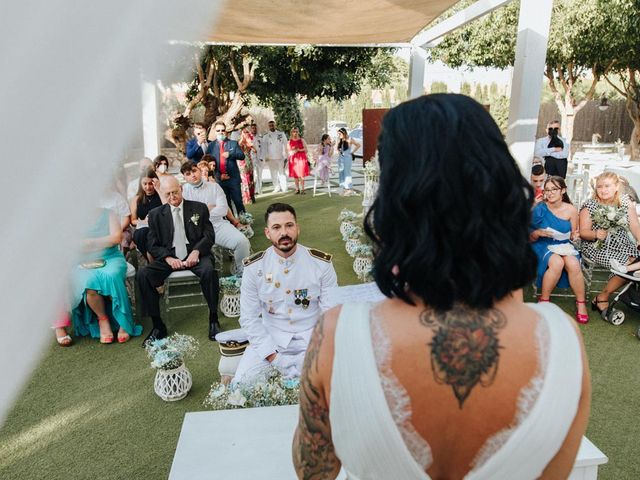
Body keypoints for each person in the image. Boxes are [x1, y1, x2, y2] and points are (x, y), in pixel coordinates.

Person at [292, 94, 590, 480]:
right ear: (499, 185)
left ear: (396, 199)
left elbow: (313, 471)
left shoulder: (336, 335)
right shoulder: (561, 340)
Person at [233, 202, 337, 383]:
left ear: (297, 228)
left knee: (339, 384)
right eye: (276, 227)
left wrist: (315, 353)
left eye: (289, 225)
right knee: (243, 384)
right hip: (272, 341)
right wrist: (273, 357)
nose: (284, 233)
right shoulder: (254, 268)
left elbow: (332, 313)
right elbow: (249, 318)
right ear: (267, 233)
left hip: (313, 339)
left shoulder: (321, 264)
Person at [137, 176, 221, 345]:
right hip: (169, 255)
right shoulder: (155, 214)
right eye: (167, 194)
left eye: (175, 192)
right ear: (163, 194)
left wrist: (196, 251)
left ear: (181, 189)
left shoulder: (199, 208)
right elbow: (152, 244)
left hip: (195, 253)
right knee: (143, 275)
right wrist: (167, 258)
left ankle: (213, 319)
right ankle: (158, 325)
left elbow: (209, 235)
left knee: (209, 271)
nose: (172, 197)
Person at [71, 208, 142, 344]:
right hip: (84, 260)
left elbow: (116, 238)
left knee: (112, 276)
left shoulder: (109, 214)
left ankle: (124, 321)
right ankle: (103, 320)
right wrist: (102, 242)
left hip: (111, 257)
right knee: (88, 282)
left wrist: (90, 243)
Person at [579, 171, 640, 315]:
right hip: (597, 246)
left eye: (607, 186)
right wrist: (595, 234)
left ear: (617, 187)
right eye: (599, 187)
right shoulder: (590, 205)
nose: (603, 190)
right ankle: (603, 297)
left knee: (636, 262)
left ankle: (625, 296)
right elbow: (583, 232)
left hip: (623, 244)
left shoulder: (625, 202)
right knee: (628, 267)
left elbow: (635, 226)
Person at [530, 176, 587, 323]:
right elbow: (527, 235)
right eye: (547, 190)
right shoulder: (539, 208)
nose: (549, 193)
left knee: (574, 264)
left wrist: (575, 236)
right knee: (557, 263)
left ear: (563, 190)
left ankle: (581, 304)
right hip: (542, 244)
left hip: (564, 245)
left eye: (553, 189)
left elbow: (574, 234)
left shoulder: (571, 210)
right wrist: (537, 233)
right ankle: (544, 301)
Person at [181, 161, 251, 276]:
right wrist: (207, 209)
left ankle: (241, 273)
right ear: (184, 177)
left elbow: (223, 210)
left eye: (194, 171)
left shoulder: (214, 187)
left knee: (242, 242)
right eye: (188, 174)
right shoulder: (184, 192)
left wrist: (199, 213)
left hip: (217, 226)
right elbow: (187, 217)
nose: (193, 175)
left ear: (199, 170)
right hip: (195, 230)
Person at [206, 121, 246, 215]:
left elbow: (242, 156)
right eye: (218, 130)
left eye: (223, 130)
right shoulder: (211, 146)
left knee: (238, 202)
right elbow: (208, 162)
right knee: (225, 204)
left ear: (226, 131)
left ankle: (245, 222)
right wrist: (219, 176)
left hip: (233, 179)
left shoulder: (233, 143)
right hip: (220, 180)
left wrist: (230, 154)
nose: (221, 132)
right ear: (215, 132)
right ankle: (231, 224)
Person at [130, 168, 162, 261]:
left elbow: (168, 208)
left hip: (159, 227)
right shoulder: (136, 199)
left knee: (150, 234)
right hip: (143, 227)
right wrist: (144, 221)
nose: (148, 187)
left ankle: (151, 259)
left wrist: (159, 189)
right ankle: (149, 257)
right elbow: (133, 220)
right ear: (141, 184)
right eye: (145, 184)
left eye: (150, 183)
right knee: (142, 233)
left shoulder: (161, 195)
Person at [262, 120, 288, 193]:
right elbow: (264, 147)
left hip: (280, 157)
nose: (271, 127)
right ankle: (276, 187)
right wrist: (265, 157)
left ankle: (284, 187)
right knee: (273, 173)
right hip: (270, 158)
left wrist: (286, 155)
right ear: (268, 126)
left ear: (275, 125)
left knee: (281, 173)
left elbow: (286, 145)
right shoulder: (266, 136)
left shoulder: (281, 134)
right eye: (270, 125)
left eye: (272, 125)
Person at [336, 127, 361, 196]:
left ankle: (348, 189)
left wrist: (352, 152)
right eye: (338, 134)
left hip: (347, 158)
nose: (339, 135)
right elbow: (337, 149)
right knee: (341, 172)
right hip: (340, 158)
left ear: (344, 133)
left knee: (347, 173)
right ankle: (343, 188)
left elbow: (358, 145)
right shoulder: (340, 140)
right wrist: (339, 151)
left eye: (340, 134)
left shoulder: (350, 139)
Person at [287, 127, 310, 194]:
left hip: (301, 159)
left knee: (301, 174)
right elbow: (288, 151)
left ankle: (303, 189)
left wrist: (299, 149)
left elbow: (306, 149)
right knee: (295, 175)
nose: (295, 133)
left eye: (296, 131)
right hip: (293, 160)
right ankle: (297, 189)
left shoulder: (302, 140)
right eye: (294, 131)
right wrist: (293, 150)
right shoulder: (289, 142)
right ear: (291, 132)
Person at [238, 127, 257, 204]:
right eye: (244, 132)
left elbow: (255, 151)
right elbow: (239, 151)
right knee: (245, 180)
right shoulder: (240, 142)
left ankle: (252, 196)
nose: (246, 133)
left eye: (247, 132)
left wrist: (251, 145)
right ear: (242, 133)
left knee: (251, 180)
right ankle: (247, 197)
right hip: (242, 162)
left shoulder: (249, 141)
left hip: (249, 161)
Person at [249, 124, 266, 195]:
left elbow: (263, 148)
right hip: (251, 159)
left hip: (259, 158)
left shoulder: (260, 137)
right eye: (252, 128)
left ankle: (259, 190)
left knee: (259, 174)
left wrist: (262, 157)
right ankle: (252, 190)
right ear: (251, 129)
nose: (254, 129)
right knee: (253, 175)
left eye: (255, 128)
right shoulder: (248, 138)